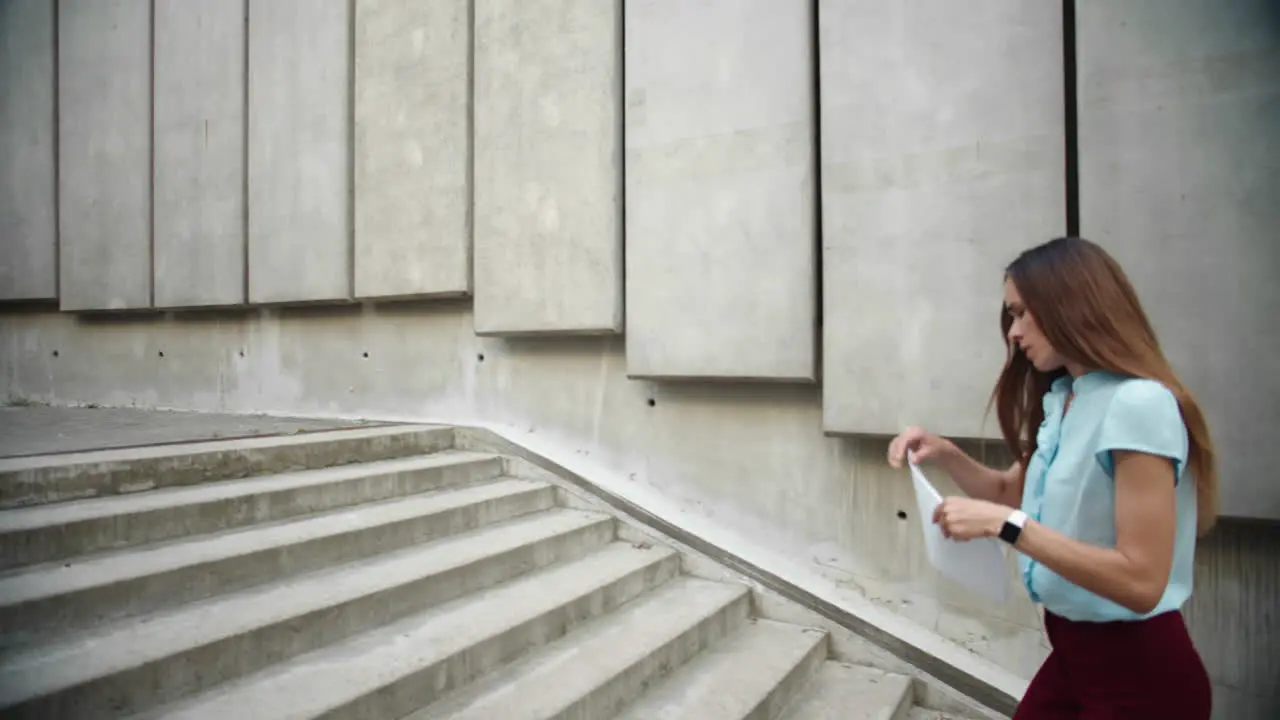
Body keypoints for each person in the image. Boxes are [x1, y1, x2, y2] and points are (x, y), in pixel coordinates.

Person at [887, 236, 1215, 719]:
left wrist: (1008, 525)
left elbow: (1142, 579)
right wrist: (946, 455)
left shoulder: (1139, 404)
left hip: (1141, 676)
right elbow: (1007, 492)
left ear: (1069, 304)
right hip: (1071, 657)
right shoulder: (1066, 399)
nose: (1013, 333)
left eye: (1021, 313)